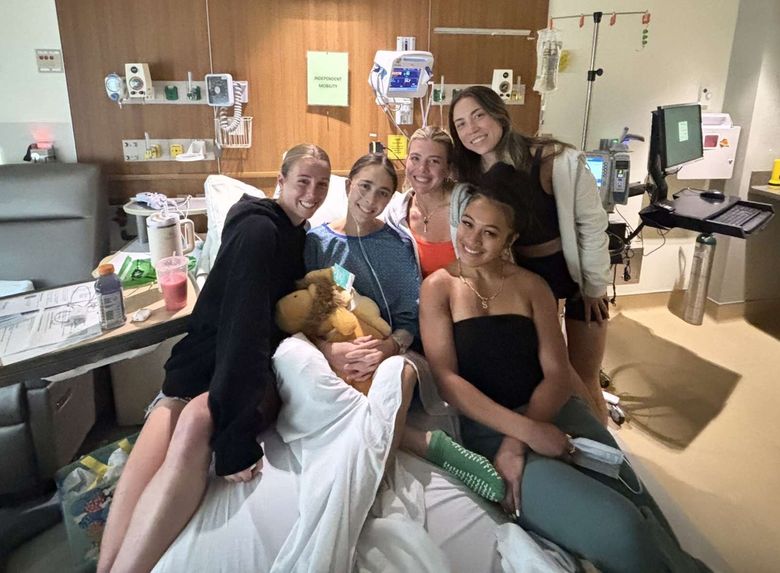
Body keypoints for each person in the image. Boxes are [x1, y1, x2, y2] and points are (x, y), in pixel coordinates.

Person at [420, 179, 709, 573]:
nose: (472, 239)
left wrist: (519, 441)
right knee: (621, 529)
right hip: (489, 426)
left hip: (558, 411)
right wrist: (516, 436)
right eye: (467, 224)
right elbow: (449, 382)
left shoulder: (531, 287)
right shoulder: (439, 289)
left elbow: (557, 373)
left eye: (489, 232)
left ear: (510, 238)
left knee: (642, 509)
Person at [98, 144, 332, 573]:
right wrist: (235, 440)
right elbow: (245, 329)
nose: (312, 193)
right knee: (175, 418)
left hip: (209, 357)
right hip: (223, 357)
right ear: (279, 182)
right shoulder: (261, 232)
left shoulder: (296, 234)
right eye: (302, 181)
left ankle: (112, 567)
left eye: (321, 184)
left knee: (182, 418)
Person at [306, 153, 504, 500]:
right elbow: (304, 310)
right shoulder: (316, 244)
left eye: (383, 193)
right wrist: (328, 351)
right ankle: (428, 445)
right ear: (349, 185)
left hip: (396, 351)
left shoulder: (396, 244)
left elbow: (412, 318)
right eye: (365, 187)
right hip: (335, 351)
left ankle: (366, 486)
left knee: (399, 373)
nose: (371, 200)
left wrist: (389, 347)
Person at [448, 85, 611, 421]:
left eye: (478, 115)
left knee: (586, 377)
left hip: (574, 273)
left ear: (499, 115)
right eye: (461, 123)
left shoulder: (554, 160)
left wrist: (594, 286)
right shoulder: (470, 180)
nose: (471, 128)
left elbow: (592, 227)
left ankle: (606, 450)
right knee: (556, 373)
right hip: (523, 280)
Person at [385, 125, 456, 279]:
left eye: (434, 161)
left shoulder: (466, 212)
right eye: (415, 158)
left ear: (448, 168)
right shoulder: (394, 213)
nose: (422, 168)